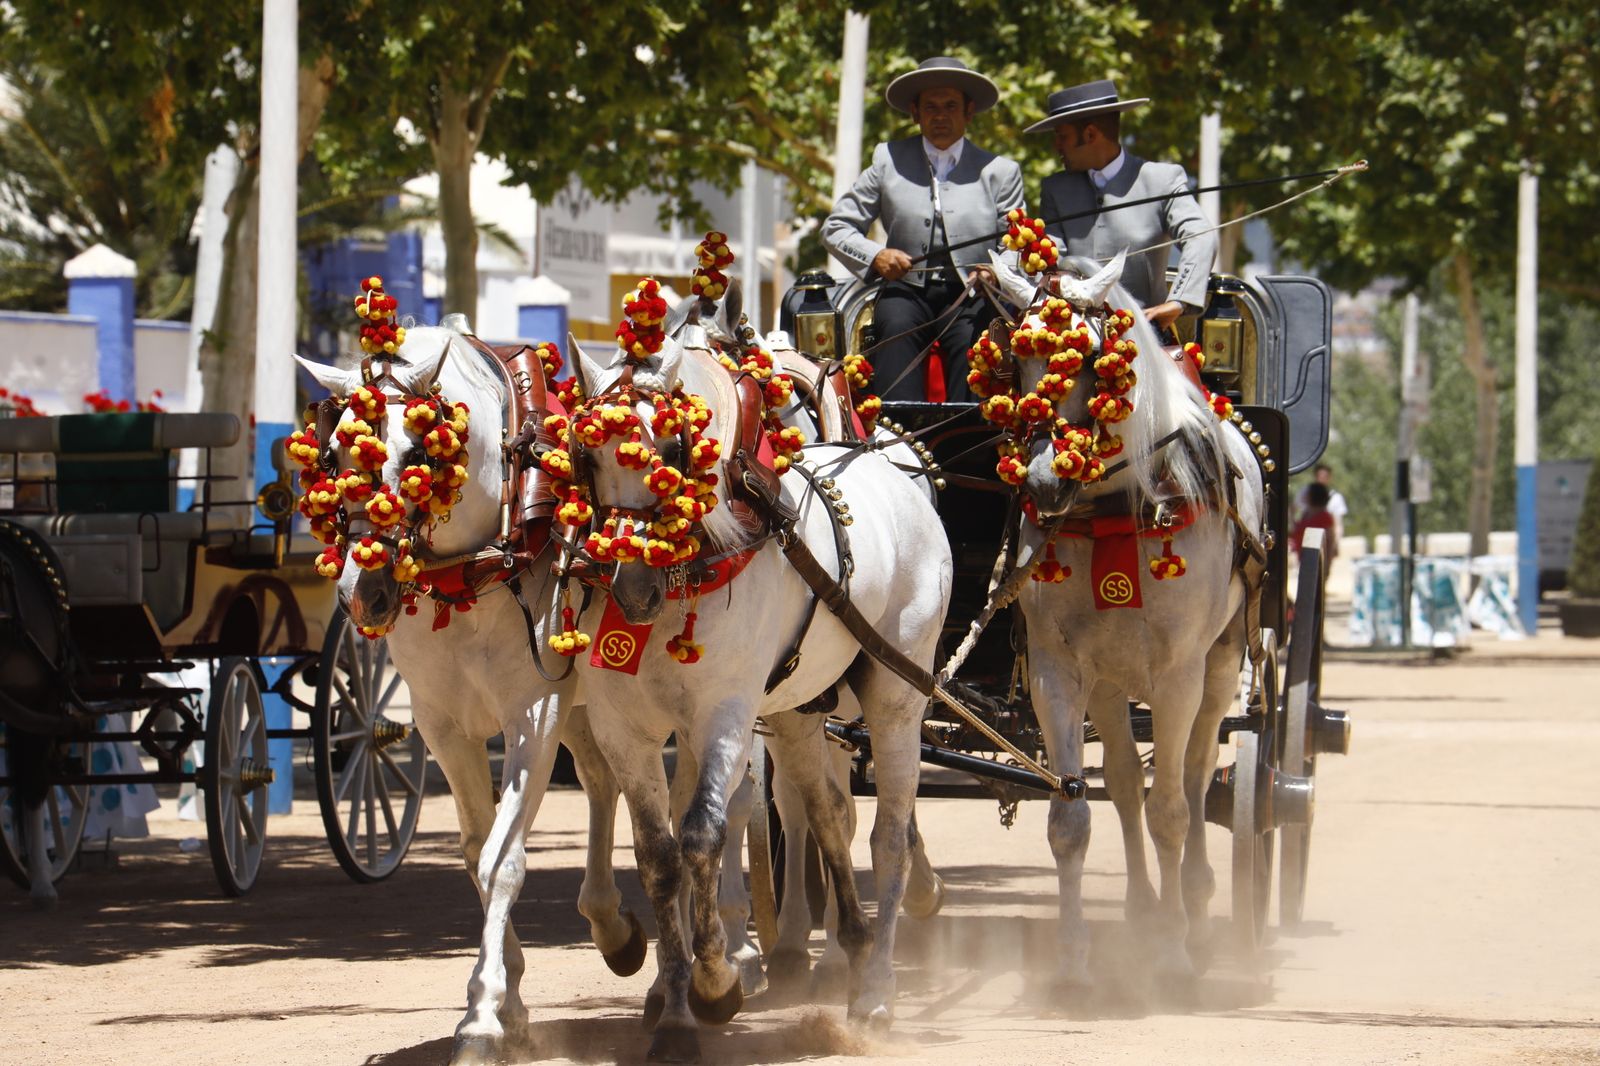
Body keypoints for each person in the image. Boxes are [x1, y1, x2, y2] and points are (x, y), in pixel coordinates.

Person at [823, 56, 1025, 402]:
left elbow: (1019, 243)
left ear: (969, 112)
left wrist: (994, 272)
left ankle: (968, 445)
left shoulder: (1001, 171)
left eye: (950, 106)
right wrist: (877, 256)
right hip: (906, 291)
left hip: (972, 295)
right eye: (930, 107)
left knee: (975, 343)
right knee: (895, 328)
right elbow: (836, 227)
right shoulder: (887, 159)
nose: (940, 115)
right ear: (915, 113)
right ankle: (895, 437)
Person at [1026, 80, 1217, 332]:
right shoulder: (1055, 189)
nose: (1056, 146)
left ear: (1090, 134)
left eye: (1062, 136)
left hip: (1144, 334)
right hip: (1070, 336)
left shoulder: (1162, 180)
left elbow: (1201, 237)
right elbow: (1053, 262)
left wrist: (1179, 301)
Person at [1295, 462, 1349, 544]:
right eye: (1320, 476)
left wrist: (1336, 543)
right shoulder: (1306, 492)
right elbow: (1294, 508)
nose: (1322, 479)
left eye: (1325, 476)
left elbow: (1337, 524)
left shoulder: (1336, 498)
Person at [1291, 481, 1341, 565]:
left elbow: (1329, 541)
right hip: (1303, 560)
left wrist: (1327, 563)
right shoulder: (1306, 514)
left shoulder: (1325, 517)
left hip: (1316, 564)